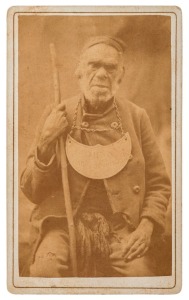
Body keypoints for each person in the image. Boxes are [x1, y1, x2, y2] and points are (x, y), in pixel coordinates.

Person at [20, 36, 171, 277]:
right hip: (63, 224)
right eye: (93, 65)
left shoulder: (136, 117)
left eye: (110, 68)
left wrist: (146, 226)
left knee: (140, 276)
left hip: (120, 226)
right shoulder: (57, 115)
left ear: (120, 75)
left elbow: (159, 184)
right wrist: (46, 141)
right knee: (44, 272)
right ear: (79, 72)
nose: (101, 74)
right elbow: (31, 190)